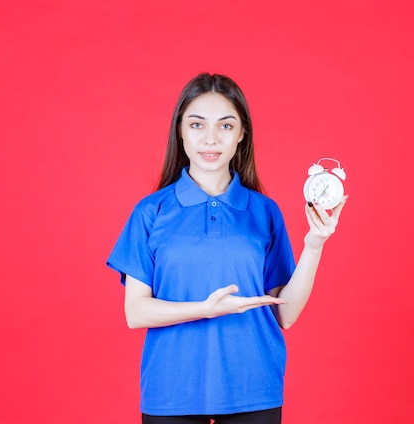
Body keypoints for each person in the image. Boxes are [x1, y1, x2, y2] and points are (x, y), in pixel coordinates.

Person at [106, 73, 347, 424]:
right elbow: (136, 313)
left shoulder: (264, 211)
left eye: (225, 125)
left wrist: (314, 244)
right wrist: (207, 308)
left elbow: (286, 314)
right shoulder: (151, 211)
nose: (211, 138)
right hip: (172, 390)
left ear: (241, 134)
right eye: (197, 124)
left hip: (254, 387)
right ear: (181, 131)